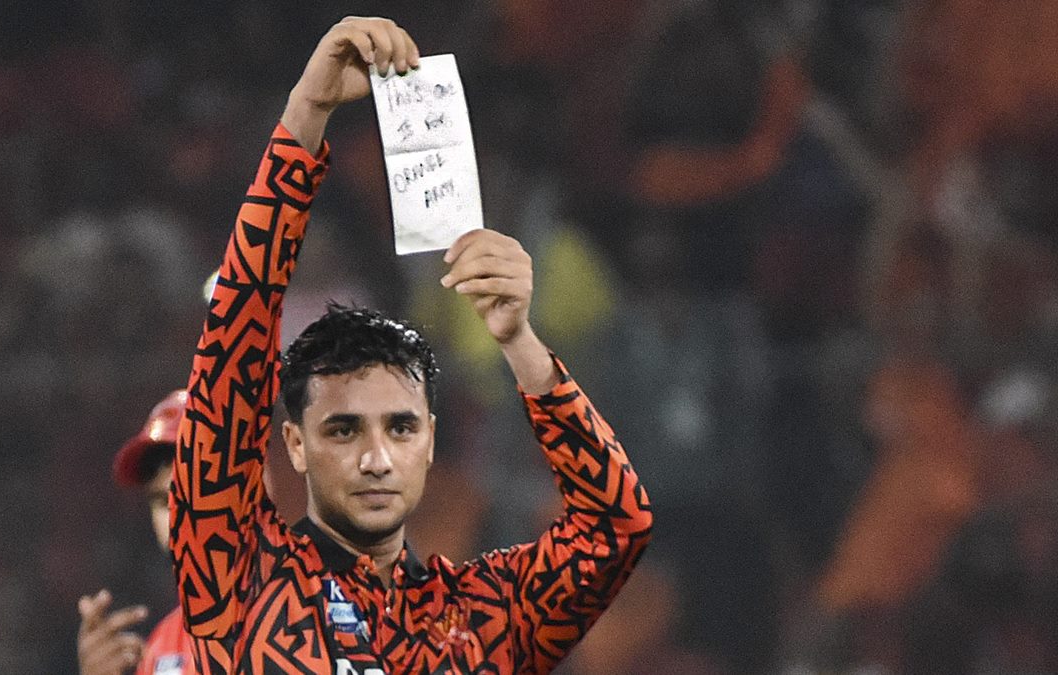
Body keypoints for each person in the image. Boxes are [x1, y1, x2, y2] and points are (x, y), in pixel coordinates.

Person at [169, 16, 652, 673]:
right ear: (295, 444)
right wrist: (305, 117)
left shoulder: (479, 619)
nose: (375, 458)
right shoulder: (238, 586)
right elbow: (230, 354)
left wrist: (519, 341)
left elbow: (615, 527)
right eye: (343, 429)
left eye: (399, 427)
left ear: (428, 440)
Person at [78, 390, 227, 675]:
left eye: (189, 495)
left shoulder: (299, 612)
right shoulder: (163, 645)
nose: (175, 517)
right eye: (161, 501)